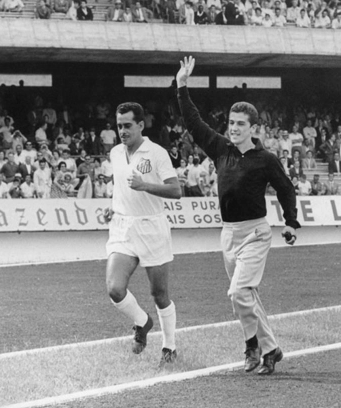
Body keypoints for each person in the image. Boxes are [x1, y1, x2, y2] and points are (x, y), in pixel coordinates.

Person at [177, 56, 300, 376]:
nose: (233, 128)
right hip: (228, 233)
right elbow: (194, 123)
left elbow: (286, 188)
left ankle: (251, 347)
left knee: (237, 293)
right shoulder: (220, 148)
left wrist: (291, 222)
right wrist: (182, 86)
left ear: (254, 128)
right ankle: (272, 349)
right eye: (231, 123)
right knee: (247, 297)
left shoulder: (265, 159)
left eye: (240, 124)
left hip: (256, 233)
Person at [103, 102, 181, 366]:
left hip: (151, 228)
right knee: (114, 288)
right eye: (119, 126)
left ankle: (169, 347)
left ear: (140, 125)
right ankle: (142, 322)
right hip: (123, 227)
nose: (122, 131)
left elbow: (175, 190)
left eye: (127, 125)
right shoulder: (115, 153)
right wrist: (111, 208)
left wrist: (145, 185)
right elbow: (120, 188)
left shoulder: (157, 153)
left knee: (159, 293)